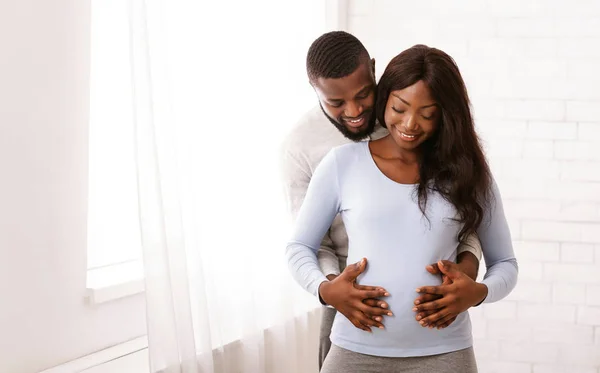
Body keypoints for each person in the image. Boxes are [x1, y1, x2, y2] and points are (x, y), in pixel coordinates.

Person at [285, 44, 518, 372]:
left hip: (445, 352)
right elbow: (300, 247)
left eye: (428, 114)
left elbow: (505, 263)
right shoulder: (340, 163)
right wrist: (325, 290)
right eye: (400, 108)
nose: (410, 124)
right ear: (386, 100)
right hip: (355, 348)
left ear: (446, 115)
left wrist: (478, 293)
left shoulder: (470, 173)